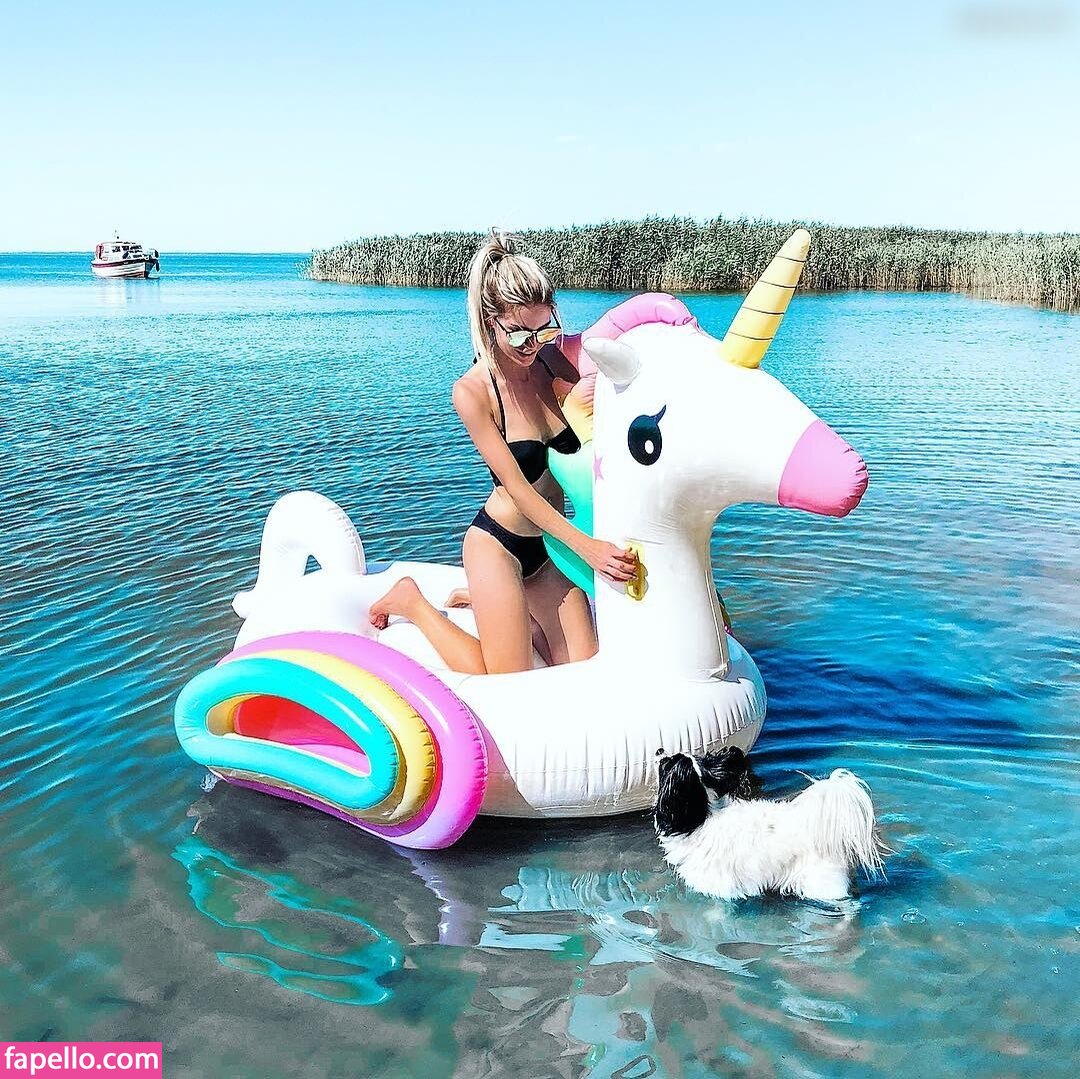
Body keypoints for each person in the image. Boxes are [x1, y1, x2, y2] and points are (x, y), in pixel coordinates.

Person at [368, 230, 637, 674]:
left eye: (544, 329)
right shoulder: (473, 393)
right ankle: (412, 601)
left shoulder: (550, 360)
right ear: (491, 322)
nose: (533, 344)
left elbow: (596, 429)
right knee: (504, 678)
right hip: (499, 545)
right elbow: (517, 489)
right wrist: (588, 548)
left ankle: (497, 605)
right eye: (518, 335)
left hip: (550, 547)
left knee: (584, 667)